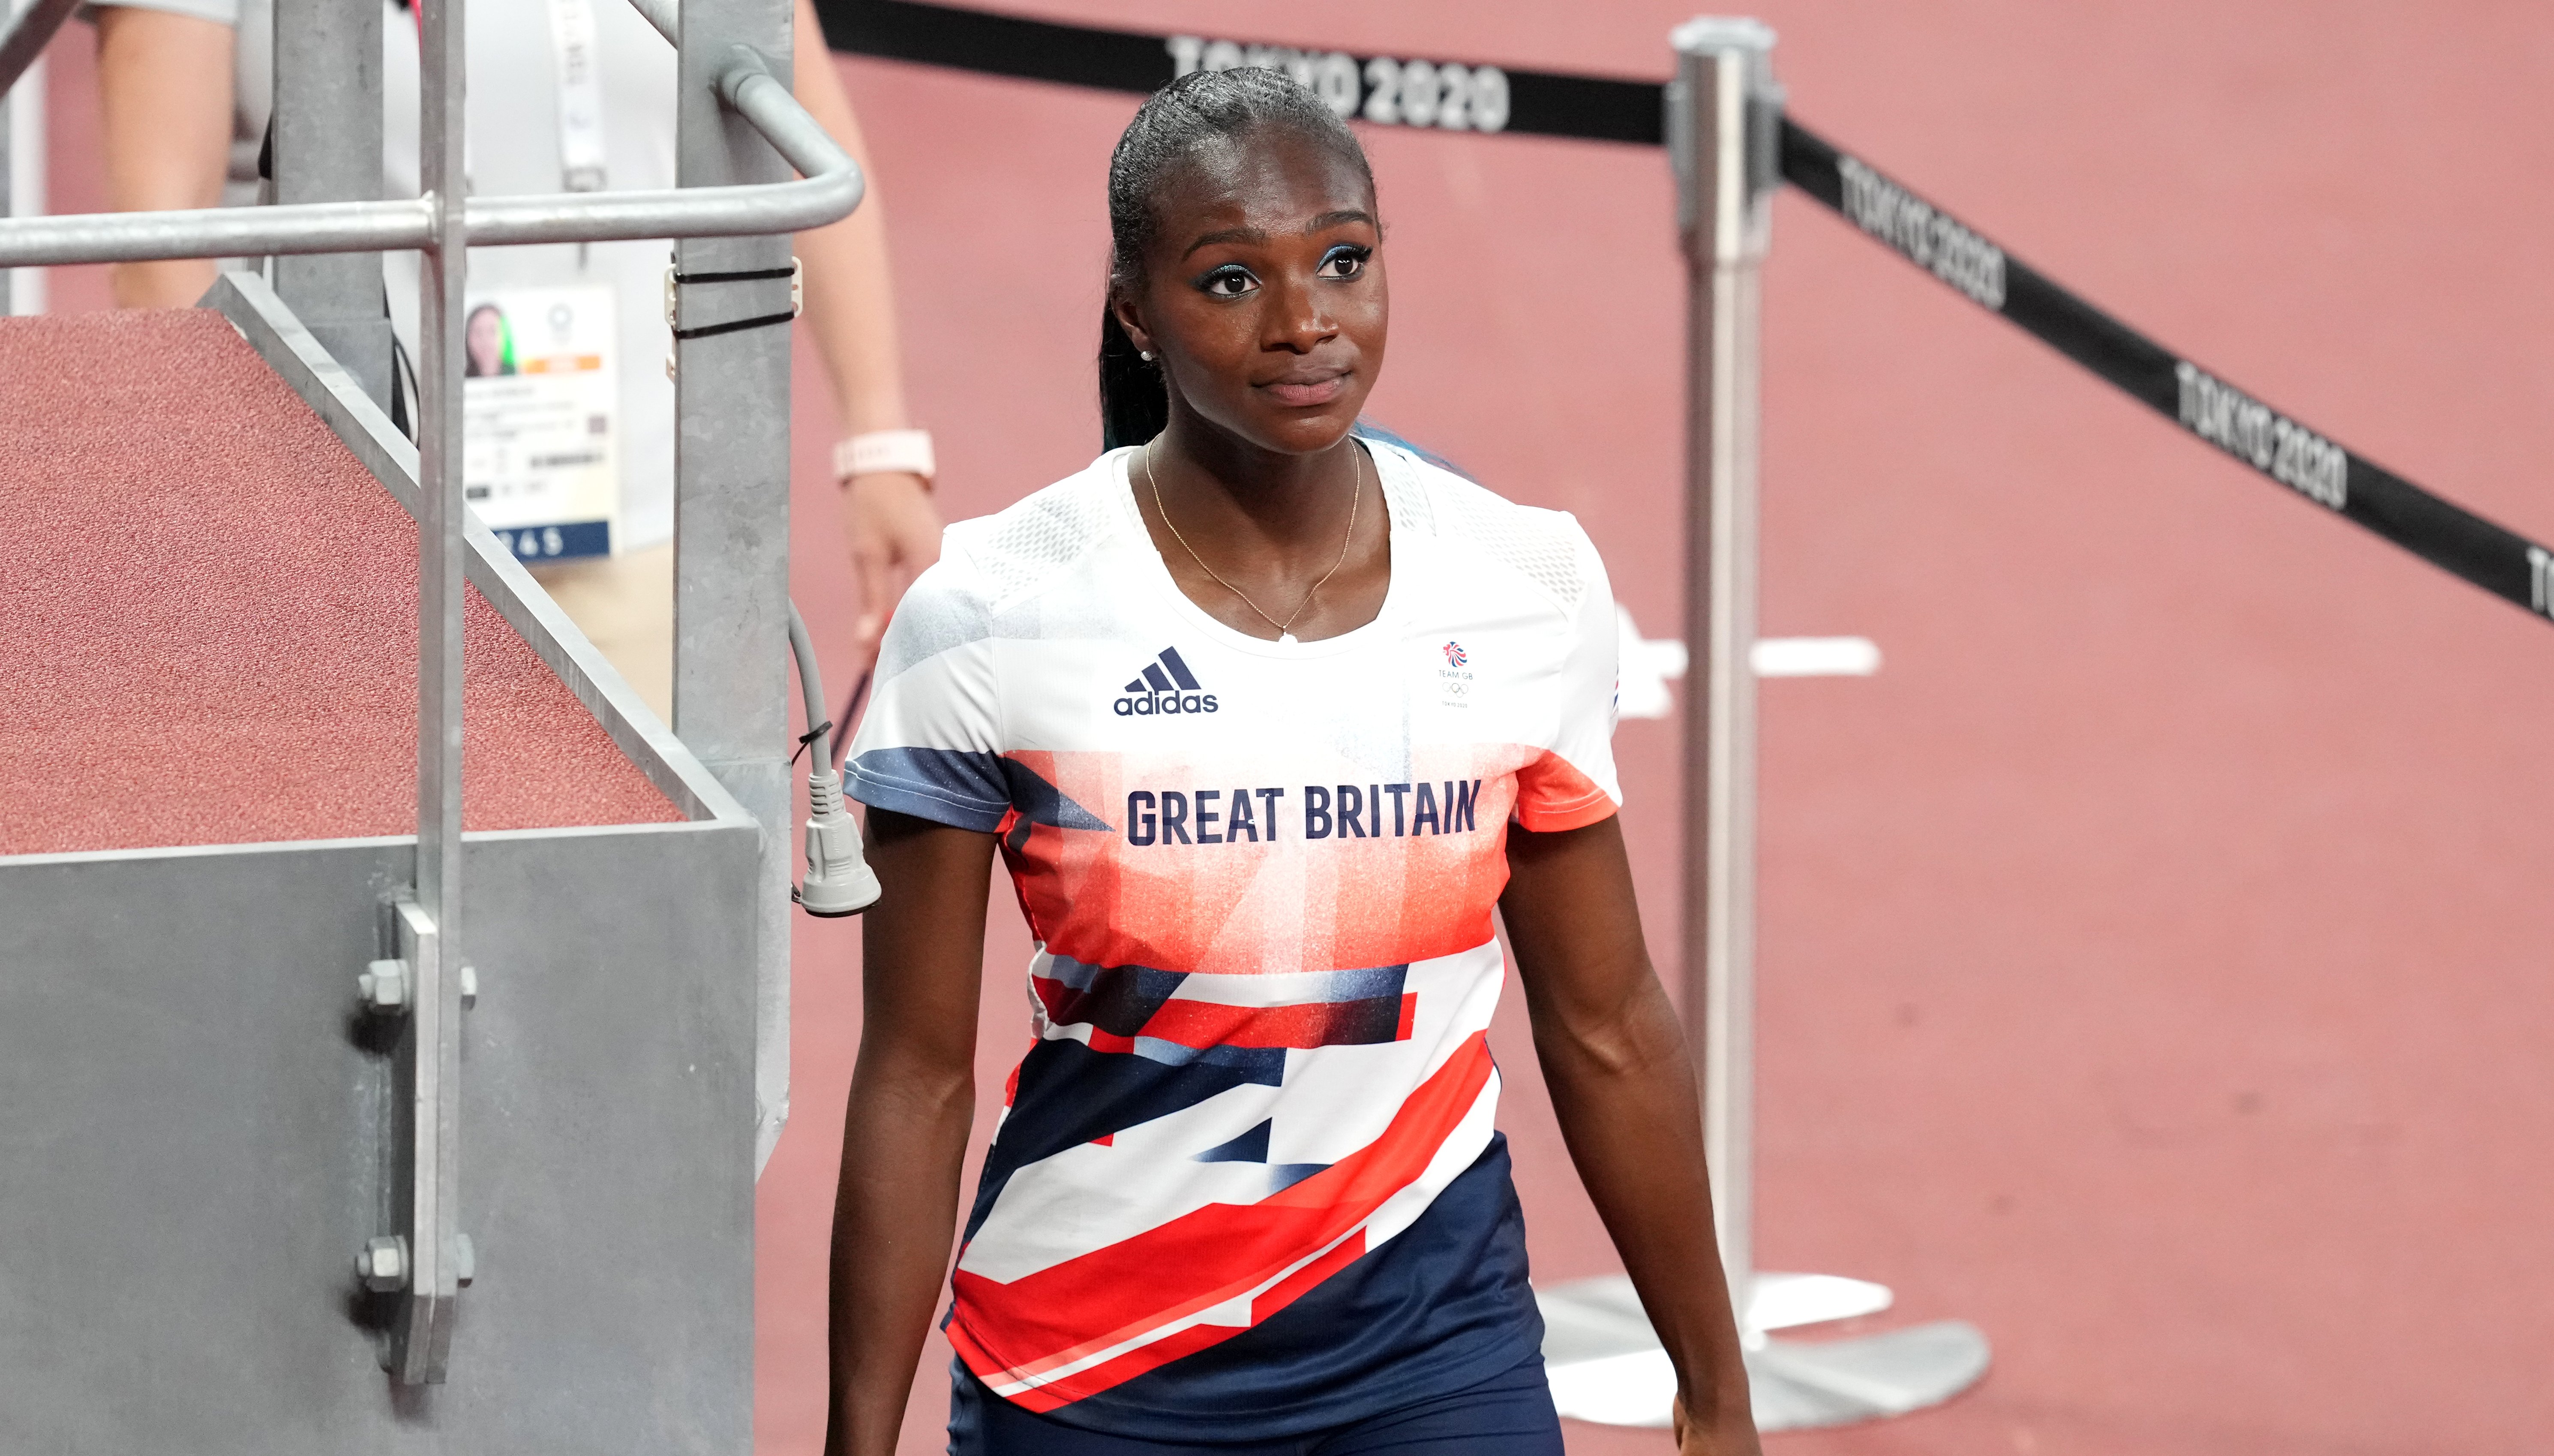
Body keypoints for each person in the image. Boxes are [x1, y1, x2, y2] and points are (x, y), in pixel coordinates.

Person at [828, 68, 1760, 1456]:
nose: (1306, 319)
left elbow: (1609, 1021)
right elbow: (915, 1076)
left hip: (1436, 1348)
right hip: (1097, 1364)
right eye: (1229, 280)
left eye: (1343, 260)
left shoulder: (1521, 582)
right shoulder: (989, 617)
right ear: (1135, 312)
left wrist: (1716, 1393)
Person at [86, 0, 942, 714]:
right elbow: (162, 253)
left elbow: (811, 145)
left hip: (652, 529)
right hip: (346, 545)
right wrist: (248, 533)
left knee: (645, 902)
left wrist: (880, 446)